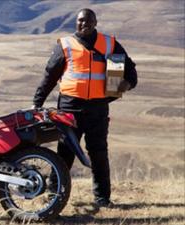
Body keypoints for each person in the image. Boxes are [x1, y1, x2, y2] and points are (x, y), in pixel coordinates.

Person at [32, 8, 137, 207]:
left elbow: (130, 69)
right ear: (76, 22)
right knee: (65, 152)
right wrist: (37, 102)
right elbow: (50, 76)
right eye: (80, 20)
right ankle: (55, 193)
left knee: (98, 153)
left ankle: (102, 199)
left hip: (98, 108)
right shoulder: (66, 44)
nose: (83, 24)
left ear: (95, 22)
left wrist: (127, 84)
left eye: (88, 20)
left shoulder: (109, 44)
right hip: (69, 108)